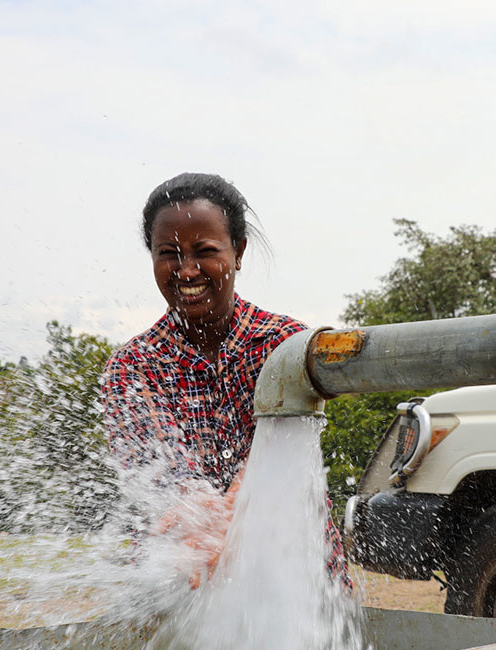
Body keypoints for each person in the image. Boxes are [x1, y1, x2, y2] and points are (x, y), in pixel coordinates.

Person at [99, 172, 347, 586]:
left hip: (295, 576)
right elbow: (156, 473)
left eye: (205, 251)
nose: (187, 270)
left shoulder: (284, 346)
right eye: (168, 253)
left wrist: (231, 517)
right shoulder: (132, 367)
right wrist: (198, 518)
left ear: (238, 252)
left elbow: (284, 456)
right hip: (183, 573)